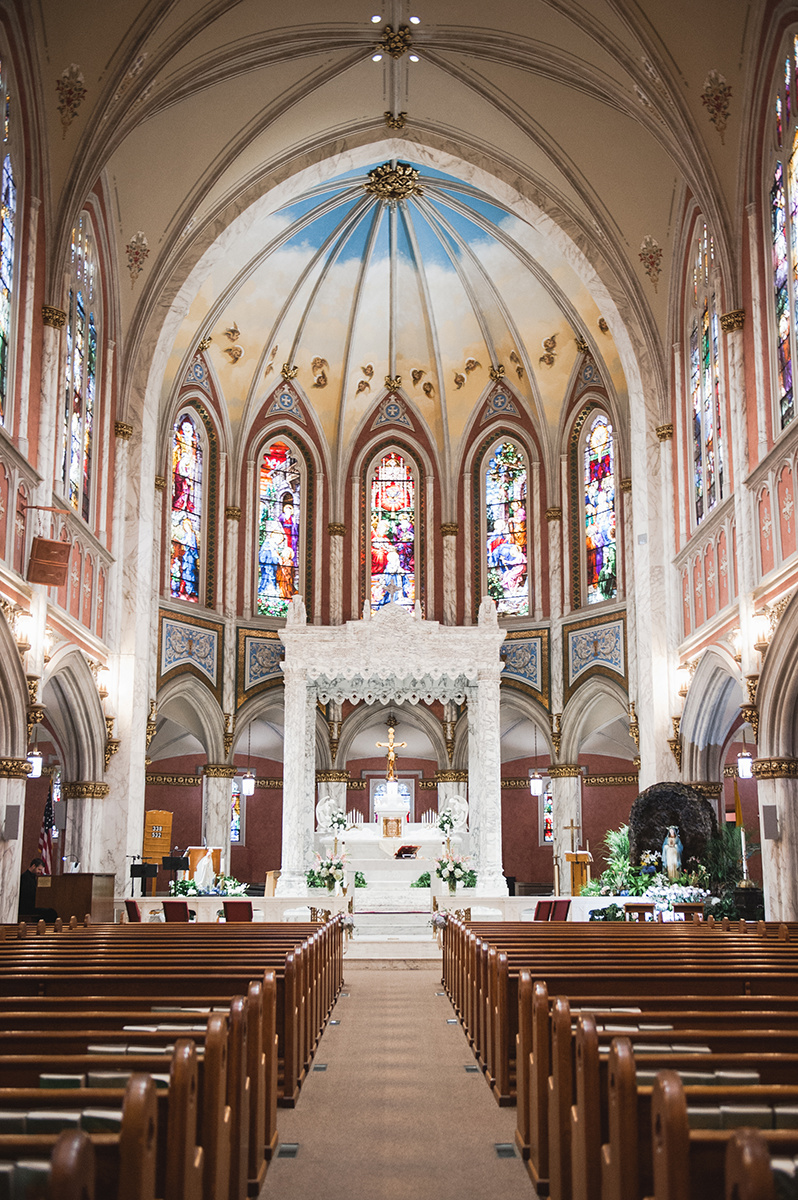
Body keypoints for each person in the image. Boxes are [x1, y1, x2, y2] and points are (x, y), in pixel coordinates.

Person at [18, 857, 58, 923]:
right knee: (51, 913)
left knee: (51, 911)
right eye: (39, 869)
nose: (40, 872)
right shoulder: (25, 878)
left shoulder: (33, 878)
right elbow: (28, 894)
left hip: (33, 905)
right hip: (27, 907)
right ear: (33, 866)